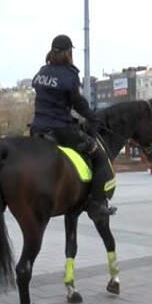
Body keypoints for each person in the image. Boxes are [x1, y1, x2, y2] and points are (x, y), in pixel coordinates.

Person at [29, 34, 116, 219]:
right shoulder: (69, 75)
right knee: (98, 154)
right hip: (61, 129)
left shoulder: (42, 72)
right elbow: (78, 103)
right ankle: (97, 203)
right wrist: (93, 118)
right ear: (69, 52)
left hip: (37, 128)